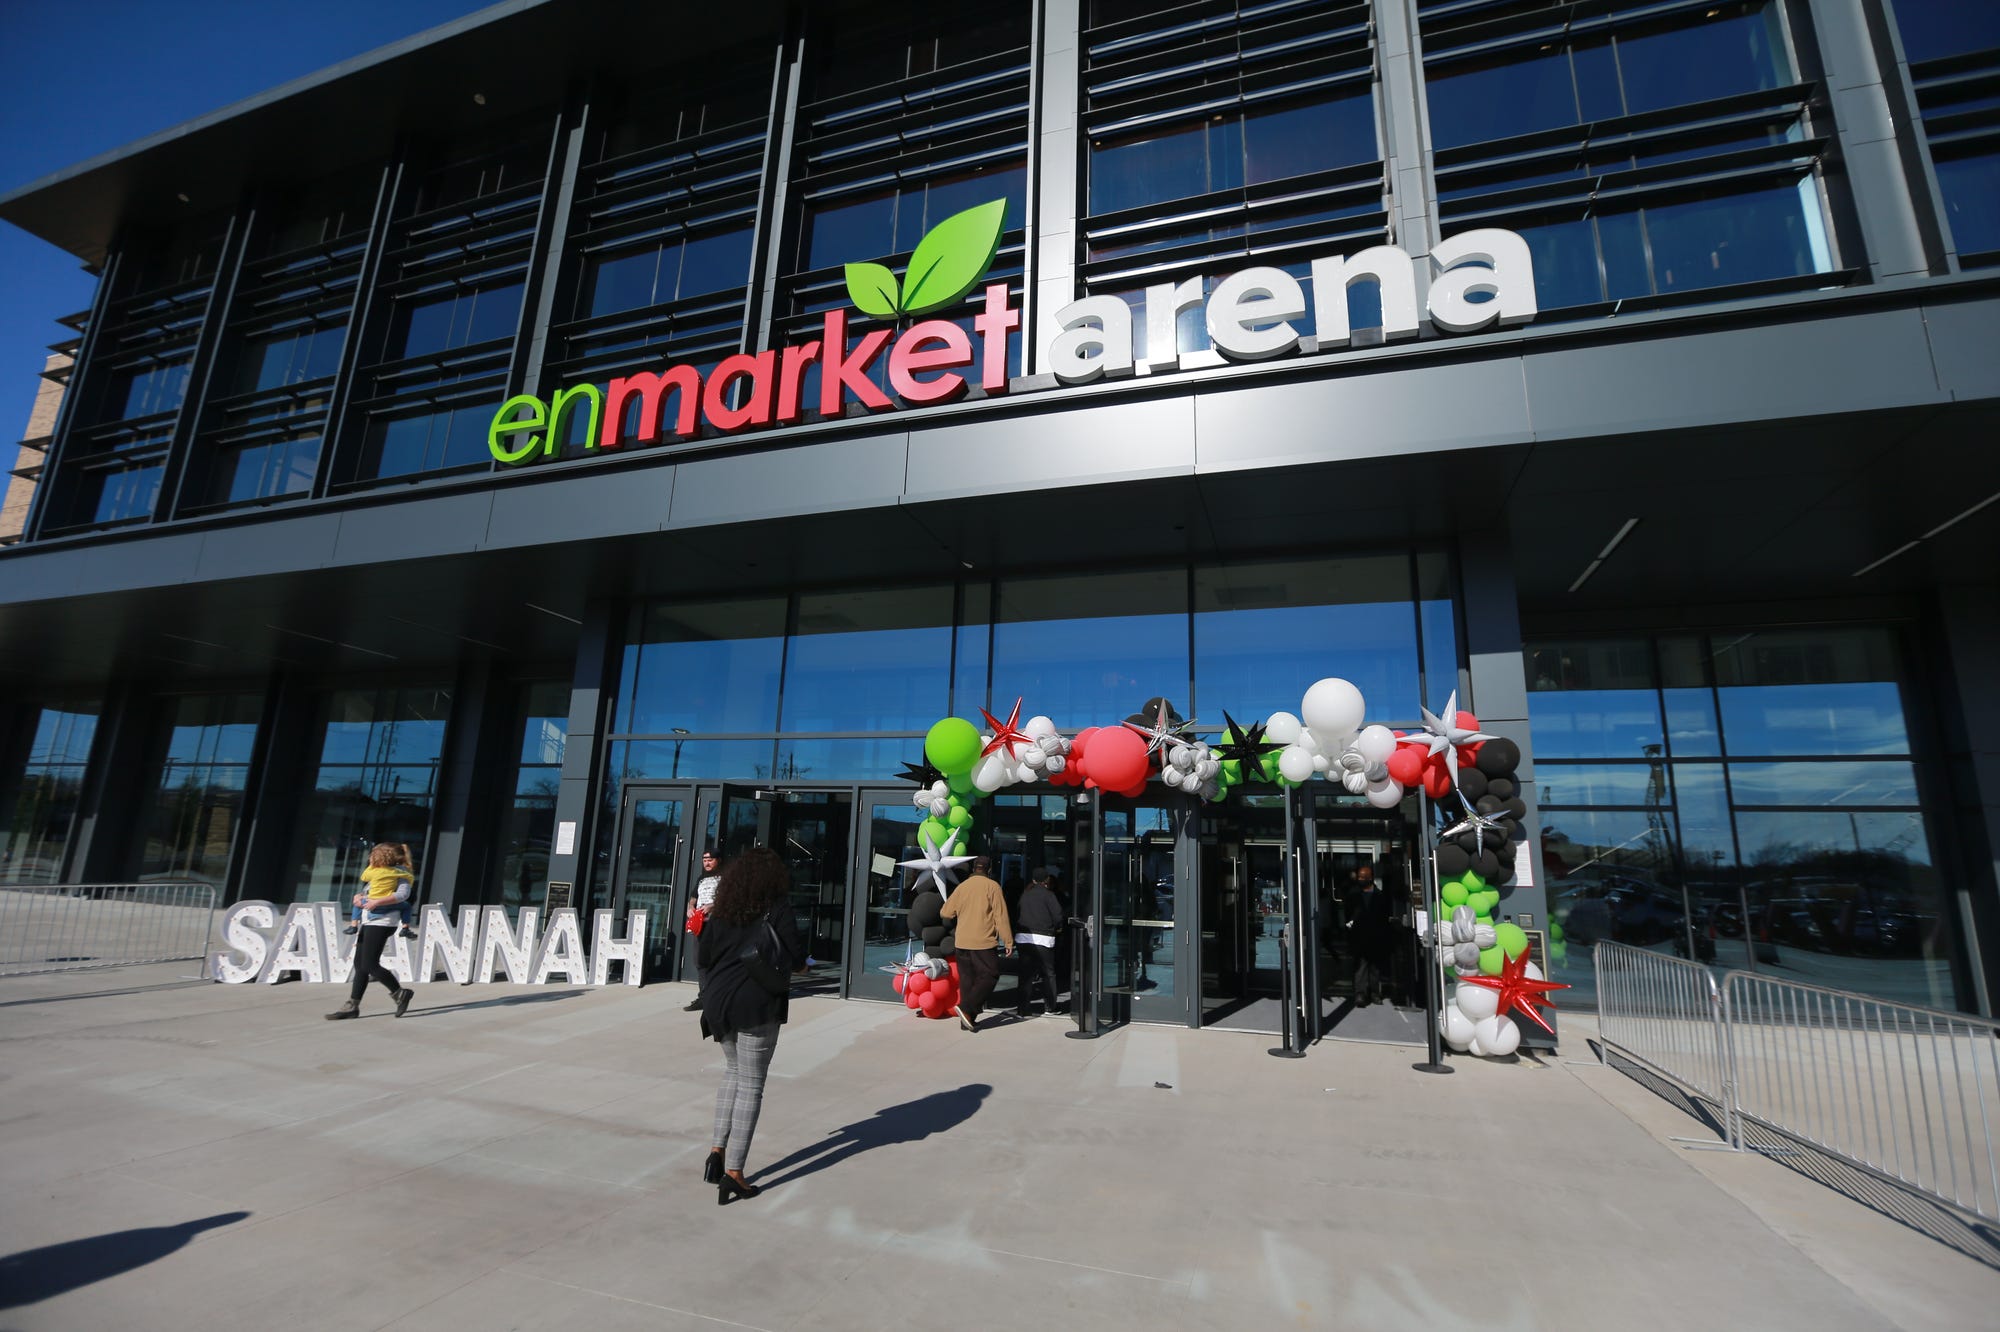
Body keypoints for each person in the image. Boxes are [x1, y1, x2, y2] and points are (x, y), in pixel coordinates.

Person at [697, 846, 805, 1204]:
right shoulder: (777, 907)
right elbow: (793, 956)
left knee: (732, 1073)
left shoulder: (723, 909)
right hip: (756, 1003)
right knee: (752, 1086)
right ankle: (735, 1175)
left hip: (718, 1001)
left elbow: (704, 957)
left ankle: (717, 1152)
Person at [326, 842, 416, 1020]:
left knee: (369, 964)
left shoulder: (399, 874)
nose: (370, 858)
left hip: (383, 922)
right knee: (360, 965)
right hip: (368, 921)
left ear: (384, 857)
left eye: (373, 855)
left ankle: (400, 993)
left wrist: (377, 902)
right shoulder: (377, 873)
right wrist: (360, 897)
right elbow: (371, 893)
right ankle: (352, 1006)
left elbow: (402, 895)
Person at [940, 854, 1012, 1032]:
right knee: (991, 974)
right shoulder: (992, 887)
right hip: (983, 942)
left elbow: (946, 912)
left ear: (973, 868)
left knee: (967, 980)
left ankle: (967, 1021)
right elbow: (1000, 917)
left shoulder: (962, 887)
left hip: (962, 941)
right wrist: (1008, 941)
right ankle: (967, 1008)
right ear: (989, 869)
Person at [1014, 866, 1064, 1017]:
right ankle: (1050, 1007)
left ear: (1034, 879)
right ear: (1046, 880)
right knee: (1048, 973)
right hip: (1044, 938)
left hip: (1024, 938)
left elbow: (1017, 912)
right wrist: (1057, 928)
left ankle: (1022, 1009)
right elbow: (1058, 916)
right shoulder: (1049, 895)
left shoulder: (1025, 895)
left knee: (1026, 974)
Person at [345, 842, 419, 940]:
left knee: (357, 906)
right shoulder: (398, 872)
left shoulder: (375, 871)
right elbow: (409, 878)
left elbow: (364, 877)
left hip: (373, 907)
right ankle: (405, 927)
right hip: (387, 905)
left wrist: (371, 866)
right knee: (407, 907)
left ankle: (353, 925)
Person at [1346, 862, 1393, 1007]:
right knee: (1360, 966)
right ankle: (1360, 994)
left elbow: (1386, 915)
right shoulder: (1353, 894)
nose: (1361, 879)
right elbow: (1348, 913)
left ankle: (1375, 993)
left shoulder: (1380, 895)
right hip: (1359, 935)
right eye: (1359, 877)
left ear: (1370, 878)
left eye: (1363, 877)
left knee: (1375, 967)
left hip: (1376, 935)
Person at [683, 846, 722, 1010]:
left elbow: (729, 898)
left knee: (715, 960)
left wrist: (713, 905)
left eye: (710, 860)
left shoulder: (725, 877)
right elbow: (693, 898)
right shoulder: (701, 878)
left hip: (717, 924)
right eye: (704, 860)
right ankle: (703, 997)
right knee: (700, 960)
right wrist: (690, 908)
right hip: (700, 924)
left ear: (718, 860)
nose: (707, 863)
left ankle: (716, 996)